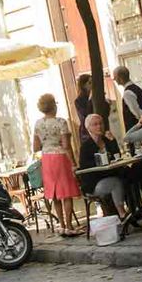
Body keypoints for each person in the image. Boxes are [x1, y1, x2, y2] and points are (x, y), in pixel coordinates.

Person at [33, 93, 84, 236]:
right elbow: (66, 145)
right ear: (54, 105)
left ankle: (61, 225)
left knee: (55, 194)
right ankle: (69, 225)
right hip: (60, 157)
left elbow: (36, 147)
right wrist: (73, 162)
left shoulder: (38, 123)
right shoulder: (61, 122)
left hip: (47, 159)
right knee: (66, 193)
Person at [77, 113, 127, 219]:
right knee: (115, 182)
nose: (99, 126)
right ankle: (122, 214)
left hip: (110, 173)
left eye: (100, 123)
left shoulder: (107, 140)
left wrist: (113, 141)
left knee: (129, 175)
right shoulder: (85, 146)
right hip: (94, 182)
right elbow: (84, 166)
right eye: (95, 124)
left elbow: (116, 156)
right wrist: (100, 161)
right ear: (88, 128)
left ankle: (135, 209)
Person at [112, 66, 142, 148]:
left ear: (120, 77)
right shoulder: (138, 89)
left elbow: (136, 112)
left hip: (137, 128)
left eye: (115, 77)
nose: (114, 79)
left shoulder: (127, 93)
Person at [73, 73, 95, 142]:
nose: (92, 85)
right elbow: (85, 114)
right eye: (90, 83)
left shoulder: (94, 97)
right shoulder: (78, 100)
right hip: (87, 132)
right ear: (84, 85)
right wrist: (90, 100)